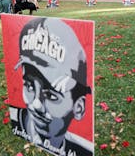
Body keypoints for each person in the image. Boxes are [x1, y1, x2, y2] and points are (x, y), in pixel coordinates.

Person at [11, 17, 93, 156]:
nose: (36, 105)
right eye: (29, 86)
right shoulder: (16, 121)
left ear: (78, 107)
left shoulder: (83, 150)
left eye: (51, 95)